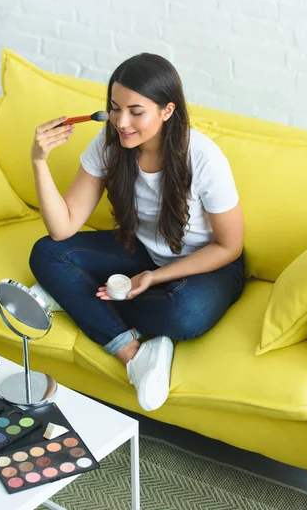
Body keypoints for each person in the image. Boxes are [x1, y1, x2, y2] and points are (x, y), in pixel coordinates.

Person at [29, 53, 245, 412]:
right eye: (114, 108)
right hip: (142, 250)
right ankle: (132, 352)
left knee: (184, 315)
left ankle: (73, 298)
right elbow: (62, 226)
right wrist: (38, 160)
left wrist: (155, 276)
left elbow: (230, 246)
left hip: (208, 266)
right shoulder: (109, 143)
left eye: (135, 111)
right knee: (47, 252)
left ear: (167, 110)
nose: (121, 122)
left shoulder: (205, 159)